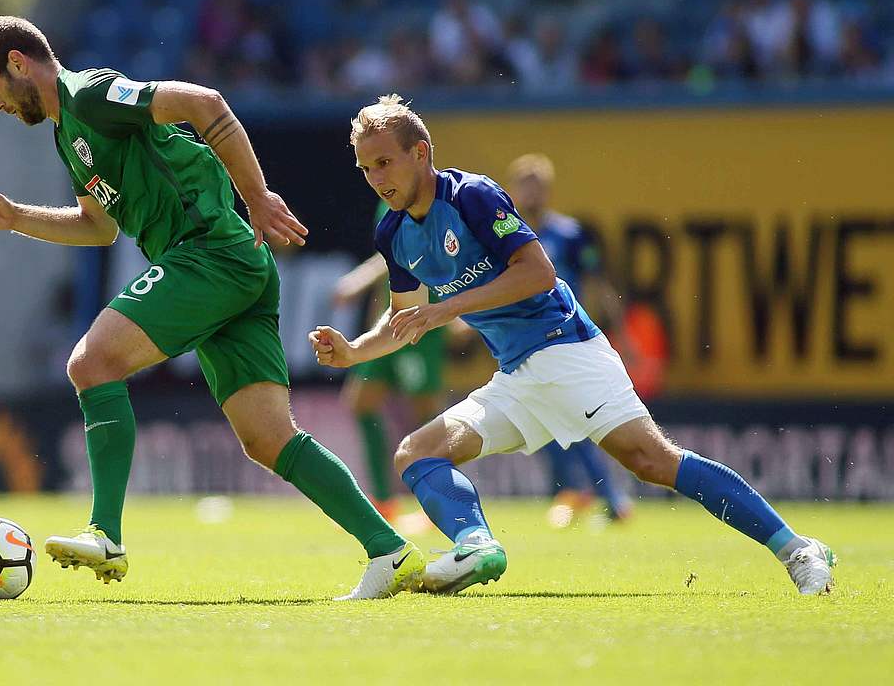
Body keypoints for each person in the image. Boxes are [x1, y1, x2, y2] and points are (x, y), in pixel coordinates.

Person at [0, 15, 421, 600]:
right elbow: (99, 226)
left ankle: (106, 532)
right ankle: (391, 550)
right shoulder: (66, 131)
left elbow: (205, 102)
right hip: (235, 269)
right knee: (268, 439)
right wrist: (16, 215)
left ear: (19, 64)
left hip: (207, 254)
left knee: (90, 364)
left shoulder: (93, 94)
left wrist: (257, 196)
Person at [309, 95, 837, 596]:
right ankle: (475, 545)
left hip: (568, 350)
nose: (376, 179)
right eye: (366, 169)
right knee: (416, 452)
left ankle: (798, 549)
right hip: (517, 376)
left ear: (420, 153)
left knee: (652, 461)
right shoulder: (395, 233)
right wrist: (354, 351)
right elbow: (403, 318)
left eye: (384, 163)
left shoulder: (471, 196)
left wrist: (447, 307)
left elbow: (538, 274)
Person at [504, 153, 634, 527]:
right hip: (526, 340)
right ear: (512, 190)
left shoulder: (569, 233)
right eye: (525, 183)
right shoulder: (503, 237)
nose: (532, 191)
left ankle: (609, 497)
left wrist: (620, 333)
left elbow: (597, 283)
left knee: (579, 420)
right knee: (550, 421)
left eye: (538, 184)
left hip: (566, 338)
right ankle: (579, 496)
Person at [332, 201, 448, 520]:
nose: (375, 175)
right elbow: (391, 260)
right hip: (391, 318)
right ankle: (384, 502)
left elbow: (413, 254)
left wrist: (359, 279)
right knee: (361, 402)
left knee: (425, 413)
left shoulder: (426, 200)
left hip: (418, 314)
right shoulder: (385, 202)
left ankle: (441, 503)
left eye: (380, 164)